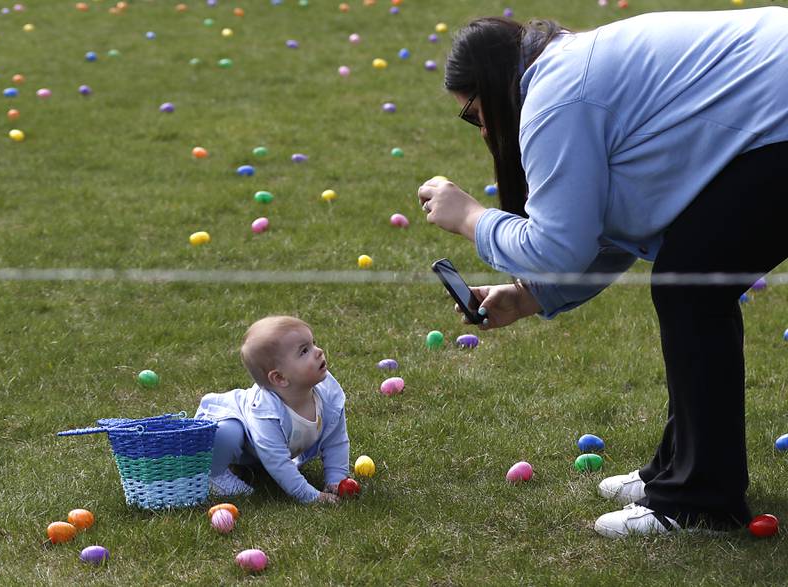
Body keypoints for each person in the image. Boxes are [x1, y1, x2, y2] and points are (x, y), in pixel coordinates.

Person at [418, 7, 788, 537]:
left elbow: (559, 245)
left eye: (472, 115)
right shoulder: (566, 70)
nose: (480, 131)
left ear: (493, 89)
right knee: (691, 278)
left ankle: (700, 500)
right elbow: (610, 226)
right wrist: (528, 297)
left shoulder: (556, 95)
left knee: (690, 287)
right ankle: (684, 469)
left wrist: (471, 218)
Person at [195, 316, 350, 504]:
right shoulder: (266, 413)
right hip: (238, 425)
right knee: (226, 433)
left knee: (266, 456)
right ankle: (214, 474)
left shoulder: (328, 395)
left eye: (313, 344)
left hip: (262, 452)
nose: (318, 352)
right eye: (304, 351)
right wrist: (312, 496)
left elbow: (335, 440)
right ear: (279, 378)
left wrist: (336, 479)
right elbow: (278, 462)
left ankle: (252, 468)